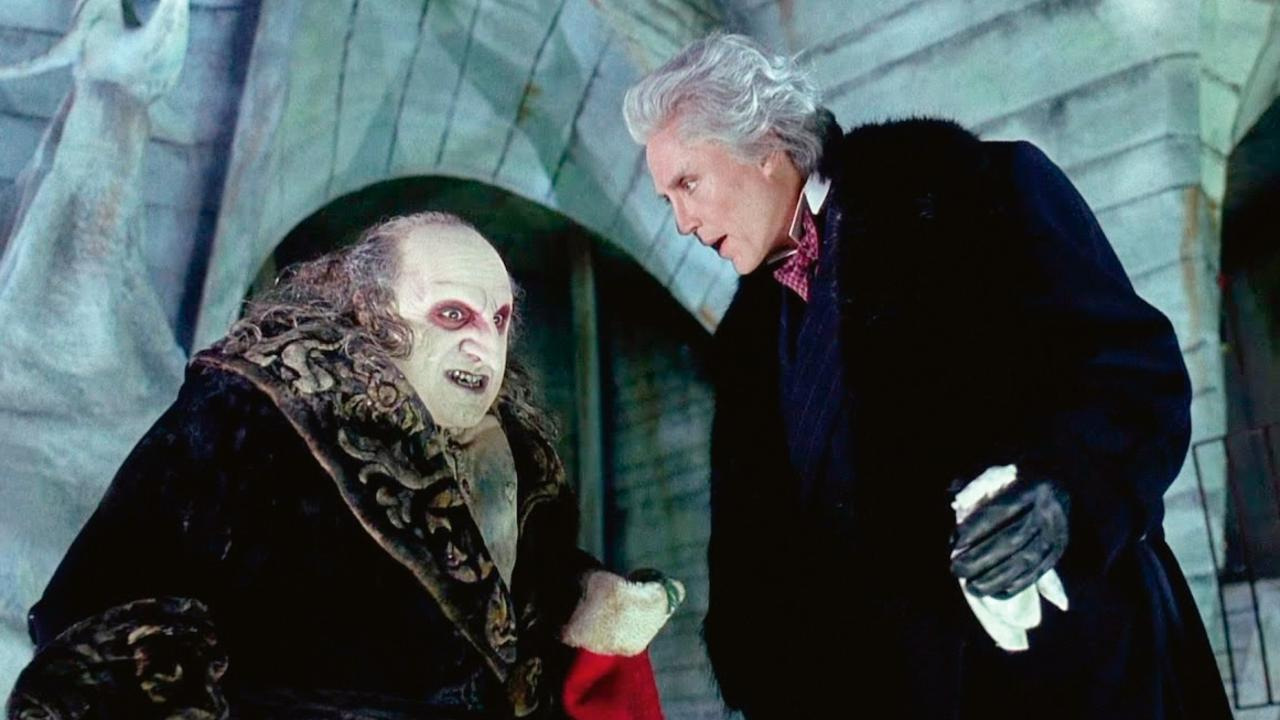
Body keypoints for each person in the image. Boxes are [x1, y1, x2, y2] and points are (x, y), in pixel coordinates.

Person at [623, 33, 1231, 719]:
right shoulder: (747, 346)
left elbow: (1137, 376)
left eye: (688, 184)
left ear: (764, 145)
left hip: (1073, 669)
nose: (681, 222)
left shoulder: (976, 189)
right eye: (667, 198)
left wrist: (1067, 493)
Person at [7, 212, 680, 719]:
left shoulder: (516, 468)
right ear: (372, 310)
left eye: (499, 320)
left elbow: (509, 617)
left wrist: (585, 600)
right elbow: (102, 605)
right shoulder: (255, 409)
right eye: (453, 314)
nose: (484, 343)